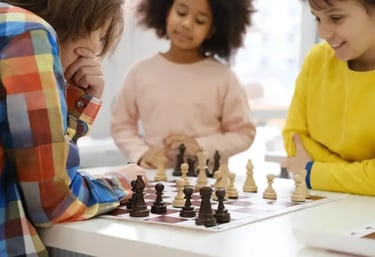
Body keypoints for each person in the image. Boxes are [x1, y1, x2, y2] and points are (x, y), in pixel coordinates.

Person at [0, 1, 145, 256]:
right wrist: (123, 180)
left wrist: (76, 101)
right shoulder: (28, 31)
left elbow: (32, 165)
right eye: (100, 36)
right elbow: (53, 202)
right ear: (86, 16)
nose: (96, 50)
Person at [111, 0, 257, 169]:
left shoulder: (224, 78)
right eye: (181, 12)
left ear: (212, 29)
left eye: (200, 21)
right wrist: (141, 153)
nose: (187, 24)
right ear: (166, 13)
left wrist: (200, 146)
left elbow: (244, 133)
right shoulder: (140, 72)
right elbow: (121, 125)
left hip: (208, 183)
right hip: (156, 179)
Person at [281, 0, 375, 196]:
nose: (323, 32)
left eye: (336, 18)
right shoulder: (317, 60)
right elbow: (294, 138)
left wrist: (311, 171)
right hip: (327, 209)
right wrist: (362, 176)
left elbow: (302, 164)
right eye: (317, 18)